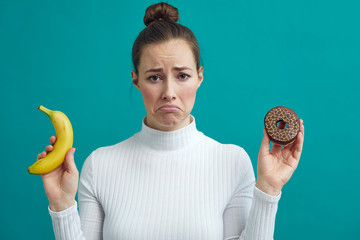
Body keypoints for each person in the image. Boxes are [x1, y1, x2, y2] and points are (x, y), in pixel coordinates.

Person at [37, 2, 304, 240]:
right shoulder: (100, 165)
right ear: (136, 80)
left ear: (200, 77)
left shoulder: (233, 162)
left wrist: (267, 189)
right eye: (154, 77)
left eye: (182, 75)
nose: (169, 92)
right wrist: (62, 205)